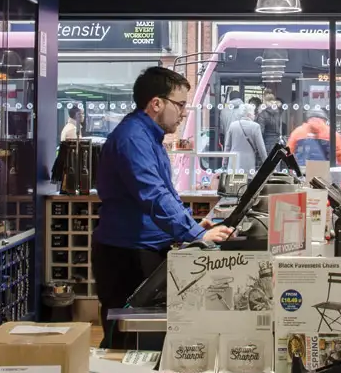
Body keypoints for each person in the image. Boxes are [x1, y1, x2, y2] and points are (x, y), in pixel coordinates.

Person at [93, 67, 233, 347]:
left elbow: (165, 191)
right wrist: (195, 234)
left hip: (142, 248)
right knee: (127, 340)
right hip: (127, 254)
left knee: (144, 337)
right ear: (156, 103)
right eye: (180, 105)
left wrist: (192, 226)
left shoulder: (148, 137)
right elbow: (153, 194)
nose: (184, 113)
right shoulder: (133, 139)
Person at [224, 103, 265, 173]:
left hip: (233, 163)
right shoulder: (256, 127)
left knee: (234, 179)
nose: (254, 115)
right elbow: (261, 147)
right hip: (248, 164)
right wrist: (265, 161)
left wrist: (225, 161)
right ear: (249, 115)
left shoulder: (233, 125)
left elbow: (227, 146)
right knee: (247, 180)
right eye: (253, 113)